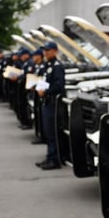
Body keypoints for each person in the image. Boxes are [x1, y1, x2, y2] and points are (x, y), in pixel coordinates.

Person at [35, 41, 65, 170]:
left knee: (52, 132)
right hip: (47, 102)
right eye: (44, 50)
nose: (45, 53)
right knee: (48, 132)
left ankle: (55, 160)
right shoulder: (47, 65)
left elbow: (59, 85)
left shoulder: (57, 66)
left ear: (55, 51)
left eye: (48, 50)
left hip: (53, 103)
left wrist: (46, 91)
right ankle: (50, 157)